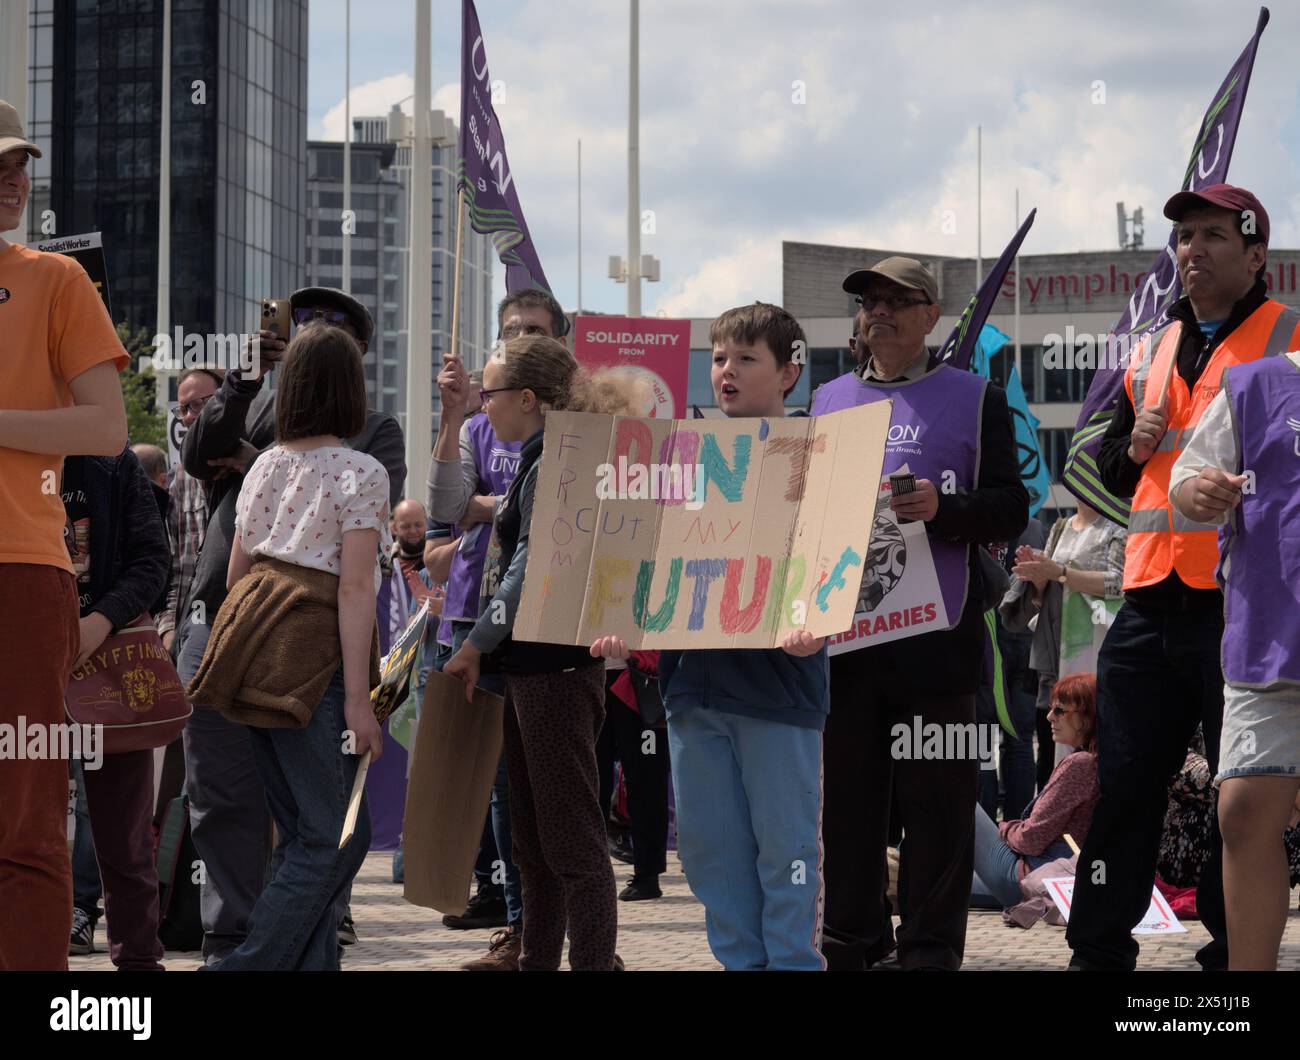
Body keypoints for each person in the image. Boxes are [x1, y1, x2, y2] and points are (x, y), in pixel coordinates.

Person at [1067, 183, 1300, 972]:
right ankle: (1097, 954)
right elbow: (1085, 471)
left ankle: (1236, 960)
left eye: (1209, 236)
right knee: (1124, 789)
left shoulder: (1291, 339)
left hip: (1244, 608)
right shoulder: (1149, 345)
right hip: (1145, 600)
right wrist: (1131, 449)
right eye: (1182, 239)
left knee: (1246, 796)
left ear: (1256, 254)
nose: (1190, 251)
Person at [592, 302, 830, 970]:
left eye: (746, 359)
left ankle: (792, 964)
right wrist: (619, 620)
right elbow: (651, 563)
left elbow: (842, 562)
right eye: (719, 358)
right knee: (709, 850)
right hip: (692, 690)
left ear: (789, 373)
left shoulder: (817, 457)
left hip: (781, 693)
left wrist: (819, 615)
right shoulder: (678, 460)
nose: (726, 371)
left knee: (785, 851)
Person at [811, 257, 1029, 970]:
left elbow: (1011, 507)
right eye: (870, 301)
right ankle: (852, 951)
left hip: (939, 656)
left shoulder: (974, 397)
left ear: (932, 315)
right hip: (847, 653)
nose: (881, 312)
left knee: (938, 820)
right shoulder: (826, 399)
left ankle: (929, 958)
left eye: (899, 301)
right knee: (849, 818)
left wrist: (945, 510)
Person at [177, 286, 405, 963]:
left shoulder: (267, 465)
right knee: (330, 835)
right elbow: (357, 586)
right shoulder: (362, 472)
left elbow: (237, 575)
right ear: (352, 390)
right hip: (318, 669)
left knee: (308, 829)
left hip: (250, 655)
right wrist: (362, 703)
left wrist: (240, 656)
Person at [443, 335, 636, 972]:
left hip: (555, 668)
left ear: (527, 399)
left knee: (574, 846)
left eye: (489, 394)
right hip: (533, 669)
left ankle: (592, 964)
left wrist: (474, 644)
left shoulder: (556, 460)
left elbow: (527, 566)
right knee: (534, 846)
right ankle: (539, 962)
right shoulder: (541, 458)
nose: (481, 405)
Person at [0, 100, 129, 971]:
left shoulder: (54, 278)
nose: (13, 180)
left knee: (27, 817)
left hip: (21, 571)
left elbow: (108, 430)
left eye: (19, 165)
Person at [428, 292, 567, 965]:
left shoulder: (568, 434)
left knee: (550, 798)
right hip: (475, 616)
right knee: (499, 785)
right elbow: (448, 507)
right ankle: (521, 926)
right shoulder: (483, 421)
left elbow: (534, 534)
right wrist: (455, 416)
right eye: (507, 332)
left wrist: (493, 507)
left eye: (531, 335)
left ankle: (565, 938)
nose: (515, 340)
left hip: (545, 635)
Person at [1169, 345, 1300, 970]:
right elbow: (1185, 482)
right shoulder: (1256, 384)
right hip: (1268, 641)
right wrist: (1203, 491)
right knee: (1243, 809)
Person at [62, 447, 170, 968]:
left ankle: (139, 967)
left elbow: (154, 561)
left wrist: (100, 619)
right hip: (24, 666)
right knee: (22, 838)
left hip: (110, 667)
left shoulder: (111, 459)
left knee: (124, 841)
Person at [1000, 501, 1125, 788]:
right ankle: (1052, 824)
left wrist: (1060, 572)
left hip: (1095, 652)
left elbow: (1120, 582)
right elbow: (1047, 598)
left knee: (1092, 745)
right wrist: (1040, 577)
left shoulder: (1117, 524)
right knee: (1049, 748)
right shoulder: (1060, 527)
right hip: (1054, 652)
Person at [971, 673, 1099, 909]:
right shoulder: (1097, 761)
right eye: (1051, 709)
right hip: (1045, 881)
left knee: (960, 799)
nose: (1049, 716)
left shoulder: (1080, 765)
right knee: (934, 882)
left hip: (1029, 878)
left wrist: (1005, 829)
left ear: (1086, 717)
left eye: (1060, 711)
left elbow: (1031, 840)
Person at [157, 367, 222, 655]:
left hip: (244, 623)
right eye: (183, 409)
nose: (188, 416)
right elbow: (169, 563)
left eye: (198, 404)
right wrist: (168, 628)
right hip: (191, 624)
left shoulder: (258, 464)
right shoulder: (179, 478)